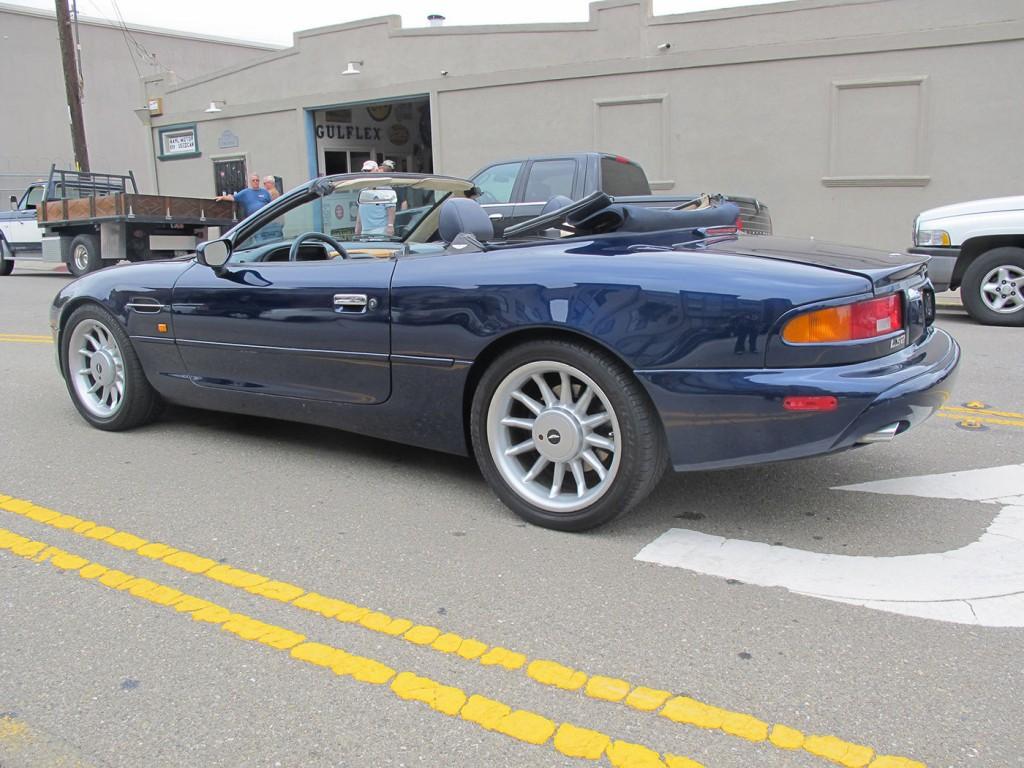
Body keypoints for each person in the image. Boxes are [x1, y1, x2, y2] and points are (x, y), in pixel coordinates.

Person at [355, 160, 396, 236]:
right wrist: (357, 227)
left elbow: (391, 208)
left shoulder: (386, 188)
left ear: (377, 171)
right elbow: (360, 210)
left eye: (368, 170)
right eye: (364, 171)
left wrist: (390, 226)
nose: (366, 173)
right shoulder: (362, 190)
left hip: (380, 230)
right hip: (364, 231)